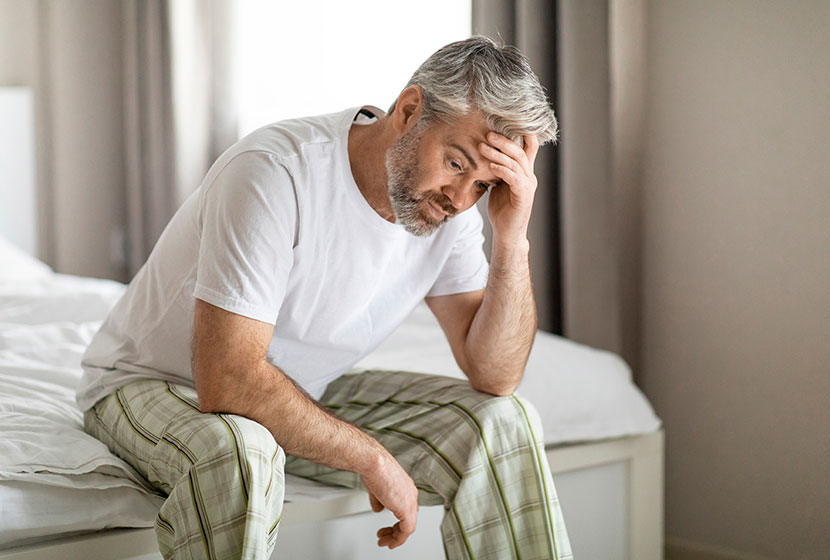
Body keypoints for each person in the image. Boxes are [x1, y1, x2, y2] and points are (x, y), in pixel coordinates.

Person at [78, 36, 574, 559]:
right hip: (155, 384)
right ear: (409, 111)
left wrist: (512, 238)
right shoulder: (275, 172)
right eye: (455, 163)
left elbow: (494, 374)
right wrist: (370, 457)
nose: (460, 198)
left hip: (297, 393)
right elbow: (227, 380)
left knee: (502, 421)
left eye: (484, 185)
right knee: (244, 450)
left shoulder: (448, 212)